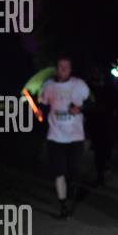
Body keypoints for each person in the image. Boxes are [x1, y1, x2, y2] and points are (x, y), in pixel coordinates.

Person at [38, 56, 90, 219]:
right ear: (56, 68)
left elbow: (92, 103)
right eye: (61, 67)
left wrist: (80, 108)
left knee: (74, 171)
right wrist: (39, 112)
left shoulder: (79, 85)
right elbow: (42, 104)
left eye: (66, 67)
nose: (63, 70)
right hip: (55, 136)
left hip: (75, 137)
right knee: (59, 172)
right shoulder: (48, 85)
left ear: (71, 69)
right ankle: (63, 206)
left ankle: (73, 189)